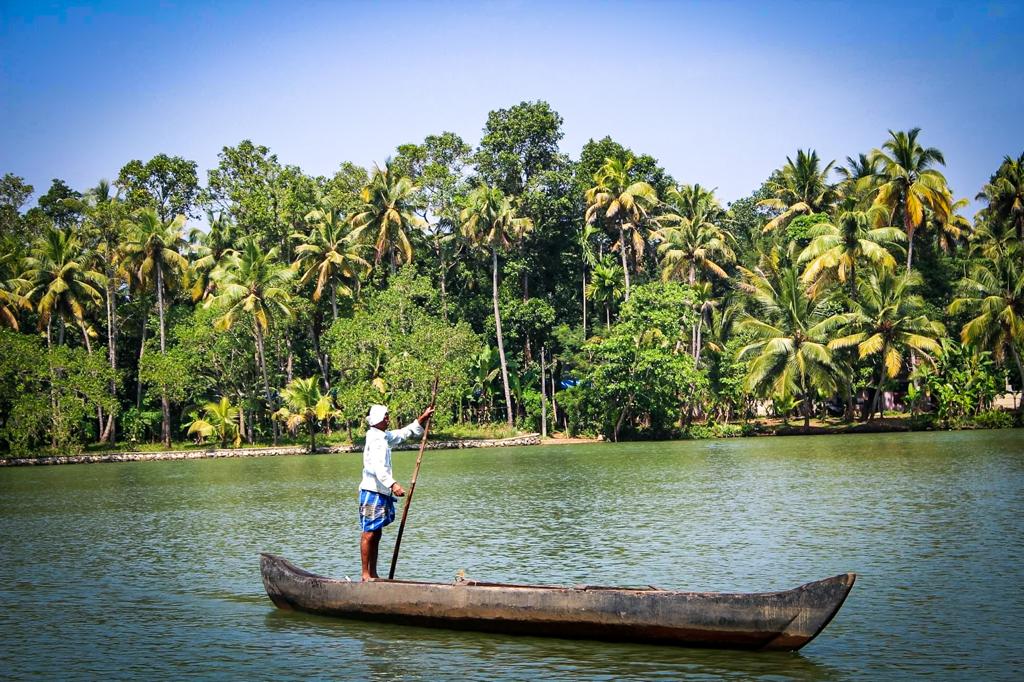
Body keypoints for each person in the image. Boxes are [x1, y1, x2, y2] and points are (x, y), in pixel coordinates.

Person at [359, 402, 435, 581]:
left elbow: (401, 434)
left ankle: (373, 573)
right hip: (371, 492)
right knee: (369, 532)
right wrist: (393, 485)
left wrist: (421, 419)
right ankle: (365, 574)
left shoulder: (382, 436)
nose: (388, 419)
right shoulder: (375, 439)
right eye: (385, 416)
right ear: (377, 419)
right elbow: (379, 467)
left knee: (376, 533)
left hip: (380, 493)